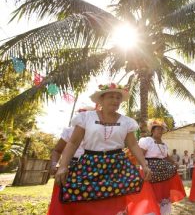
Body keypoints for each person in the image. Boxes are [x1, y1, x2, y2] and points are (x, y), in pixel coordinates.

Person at [49, 83, 158, 215]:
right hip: (90, 165)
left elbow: (133, 145)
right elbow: (73, 143)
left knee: (116, 199)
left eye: (118, 98)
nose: (115, 100)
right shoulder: (86, 117)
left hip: (117, 166)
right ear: (101, 99)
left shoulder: (127, 122)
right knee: (83, 195)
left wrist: (144, 165)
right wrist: (63, 166)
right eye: (111, 96)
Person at [138, 119, 186, 215]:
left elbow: (166, 156)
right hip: (150, 172)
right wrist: (144, 168)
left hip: (163, 174)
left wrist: (174, 162)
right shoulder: (147, 141)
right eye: (157, 129)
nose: (160, 131)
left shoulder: (164, 144)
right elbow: (140, 155)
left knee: (163, 195)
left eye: (161, 129)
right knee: (152, 194)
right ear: (152, 130)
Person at [50, 106, 95, 175]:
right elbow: (57, 150)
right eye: (80, 113)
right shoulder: (69, 131)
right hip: (68, 165)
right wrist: (54, 165)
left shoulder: (98, 134)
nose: (82, 117)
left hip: (89, 167)